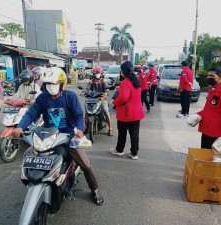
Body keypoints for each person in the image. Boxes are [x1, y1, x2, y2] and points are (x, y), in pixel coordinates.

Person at [10, 67, 104, 205]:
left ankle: (94, 189)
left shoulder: (70, 96)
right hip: (48, 135)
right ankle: (33, 189)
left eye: (54, 84)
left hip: (68, 135)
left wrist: (78, 130)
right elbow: (31, 113)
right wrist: (20, 127)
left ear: (62, 84)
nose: (51, 87)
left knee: (86, 165)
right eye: (48, 84)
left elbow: (78, 115)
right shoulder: (42, 98)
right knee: (28, 155)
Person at [110, 61, 145, 160]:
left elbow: (123, 98)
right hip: (136, 112)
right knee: (134, 134)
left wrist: (114, 102)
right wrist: (120, 87)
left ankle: (119, 150)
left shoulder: (125, 82)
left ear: (123, 71)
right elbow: (131, 92)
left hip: (126, 113)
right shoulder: (136, 80)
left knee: (122, 133)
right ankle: (134, 153)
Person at [195, 66, 221, 149]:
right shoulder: (211, 89)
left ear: (220, 77)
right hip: (206, 130)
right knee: (204, 155)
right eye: (208, 75)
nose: (209, 78)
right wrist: (198, 116)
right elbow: (209, 109)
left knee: (212, 158)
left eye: (212, 76)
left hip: (216, 134)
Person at [81, 65, 113, 136]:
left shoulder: (104, 81)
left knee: (106, 111)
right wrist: (84, 92)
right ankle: (86, 127)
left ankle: (110, 128)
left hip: (101, 99)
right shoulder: (91, 81)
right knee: (87, 113)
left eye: (98, 73)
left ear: (101, 73)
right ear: (93, 74)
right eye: (95, 73)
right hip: (92, 99)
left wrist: (105, 94)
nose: (97, 74)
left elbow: (106, 90)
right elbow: (87, 89)